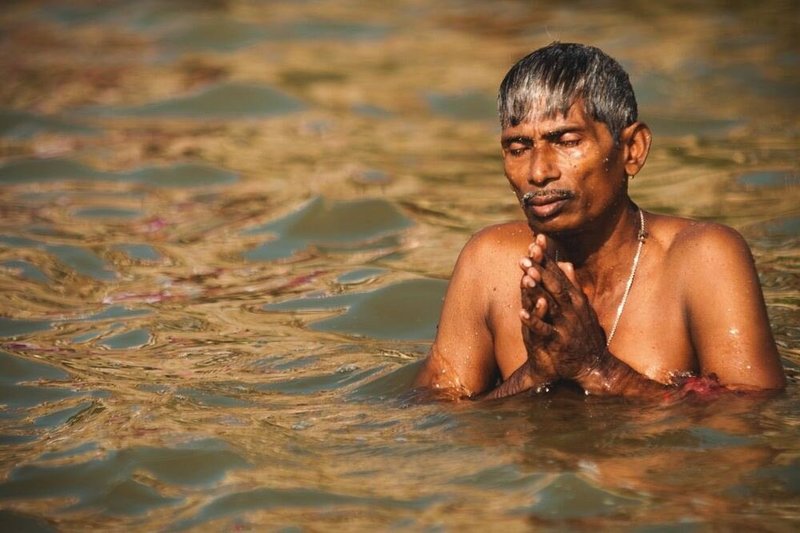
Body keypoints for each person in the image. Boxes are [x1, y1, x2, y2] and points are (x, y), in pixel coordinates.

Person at [413, 42, 785, 399]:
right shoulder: (490, 261)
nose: (538, 172)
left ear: (632, 150)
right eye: (518, 148)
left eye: (567, 141)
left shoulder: (703, 258)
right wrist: (535, 375)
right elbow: (436, 420)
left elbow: (747, 424)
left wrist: (596, 368)